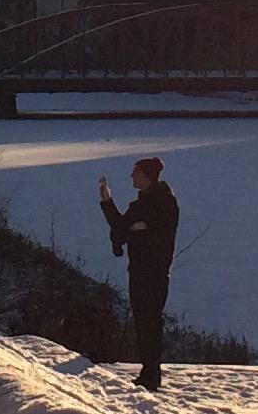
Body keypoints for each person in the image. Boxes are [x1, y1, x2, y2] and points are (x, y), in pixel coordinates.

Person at [98, 156, 180, 390]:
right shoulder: (140, 205)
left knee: (150, 321)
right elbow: (121, 229)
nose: (131, 176)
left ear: (146, 175)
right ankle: (148, 372)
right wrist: (107, 202)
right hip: (138, 270)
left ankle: (152, 374)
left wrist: (139, 231)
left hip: (154, 271)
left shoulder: (165, 202)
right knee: (143, 322)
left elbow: (160, 236)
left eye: (136, 172)